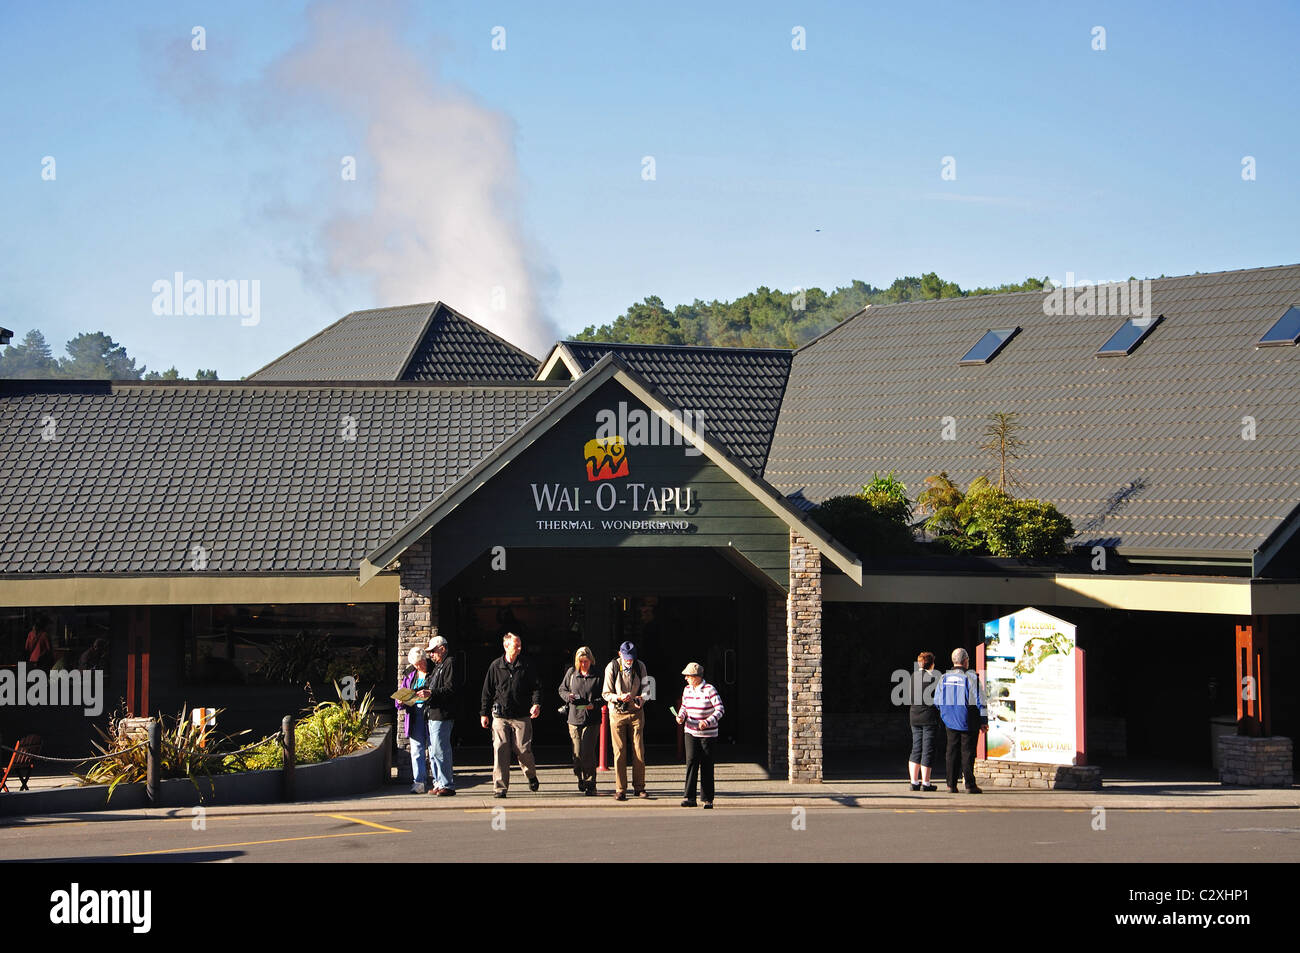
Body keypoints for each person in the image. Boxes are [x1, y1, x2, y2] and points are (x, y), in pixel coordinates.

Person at [480, 632, 541, 798]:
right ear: (506, 646)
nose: (520, 648)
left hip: (521, 715)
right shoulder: (496, 666)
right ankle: (500, 788)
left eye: (520, 645)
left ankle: (531, 775)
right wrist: (484, 713)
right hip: (500, 716)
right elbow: (487, 691)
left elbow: (536, 687)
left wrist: (536, 704)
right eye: (516, 645)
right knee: (500, 749)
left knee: (523, 749)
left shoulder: (526, 665)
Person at [935, 647, 987, 794]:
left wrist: (946, 713)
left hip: (949, 720)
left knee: (951, 751)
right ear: (965, 661)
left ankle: (951, 785)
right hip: (968, 720)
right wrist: (983, 720)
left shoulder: (943, 677)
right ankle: (970, 785)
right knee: (968, 752)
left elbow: (937, 700)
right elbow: (980, 700)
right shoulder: (971, 677)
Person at [602, 641, 650, 800]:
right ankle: (620, 789)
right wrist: (619, 697)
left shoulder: (640, 666)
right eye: (626, 658)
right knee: (619, 751)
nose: (629, 661)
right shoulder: (612, 667)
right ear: (620, 654)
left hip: (636, 712)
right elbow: (605, 693)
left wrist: (641, 699)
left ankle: (639, 787)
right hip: (617, 712)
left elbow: (648, 691)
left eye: (631, 658)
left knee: (639, 751)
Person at [676, 662, 724, 809]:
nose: (686, 678)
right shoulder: (687, 690)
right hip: (690, 730)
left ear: (696, 677)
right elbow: (684, 706)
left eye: (688, 676)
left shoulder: (710, 689)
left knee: (707, 764)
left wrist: (708, 721)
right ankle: (689, 797)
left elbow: (720, 709)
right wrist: (680, 715)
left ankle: (707, 799)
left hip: (708, 734)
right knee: (691, 761)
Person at [558, 646, 602, 796]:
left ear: (591, 661)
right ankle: (580, 777)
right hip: (574, 717)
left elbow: (605, 694)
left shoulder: (597, 675)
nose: (583, 664)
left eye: (586, 661)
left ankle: (591, 783)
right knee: (577, 754)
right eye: (581, 661)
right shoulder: (571, 673)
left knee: (588, 752)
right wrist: (568, 696)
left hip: (591, 719)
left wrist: (594, 704)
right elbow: (561, 689)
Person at [396, 646, 433, 794]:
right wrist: (400, 701)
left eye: (420, 664)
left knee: (434, 749)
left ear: (424, 659)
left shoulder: (434, 670)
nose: (418, 667)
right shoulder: (410, 673)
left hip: (431, 713)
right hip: (414, 715)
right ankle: (419, 782)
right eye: (415, 665)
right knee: (417, 750)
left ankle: (438, 781)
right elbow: (402, 692)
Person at [425, 635, 456, 796]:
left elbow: (450, 689)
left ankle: (447, 784)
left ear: (442, 649)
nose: (431, 655)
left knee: (440, 749)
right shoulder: (438, 666)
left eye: (433, 651)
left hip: (442, 714)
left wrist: (430, 692)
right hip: (432, 713)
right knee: (433, 750)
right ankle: (438, 782)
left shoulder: (449, 663)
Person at [907, 651, 941, 792]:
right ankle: (926, 783)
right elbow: (938, 699)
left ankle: (914, 782)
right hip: (929, 717)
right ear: (931, 664)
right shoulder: (934, 679)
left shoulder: (912, 677)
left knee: (916, 748)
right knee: (927, 749)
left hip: (914, 716)